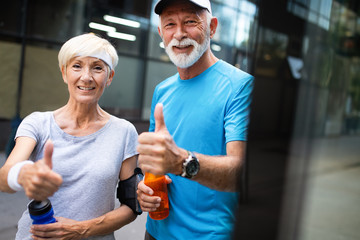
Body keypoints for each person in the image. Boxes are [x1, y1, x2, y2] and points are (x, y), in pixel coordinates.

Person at [0, 33, 139, 240]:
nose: (86, 77)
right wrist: (22, 175)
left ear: (109, 77)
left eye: (97, 68)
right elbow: (4, 178)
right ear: (64, 73)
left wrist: (81, 229)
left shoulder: (124, 131)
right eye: (77, 66)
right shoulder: (38, 123)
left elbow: (131, 206)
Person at [136, 0, 254, 239]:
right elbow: (153, 163)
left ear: (211, 27)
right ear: (161, 33)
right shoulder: (162, 90)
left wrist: (182, 161)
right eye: (170, 24)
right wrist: (144, 188)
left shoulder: (240, 87)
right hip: (155, 232)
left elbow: (241, 173)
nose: (179, 34)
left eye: (190, 21)